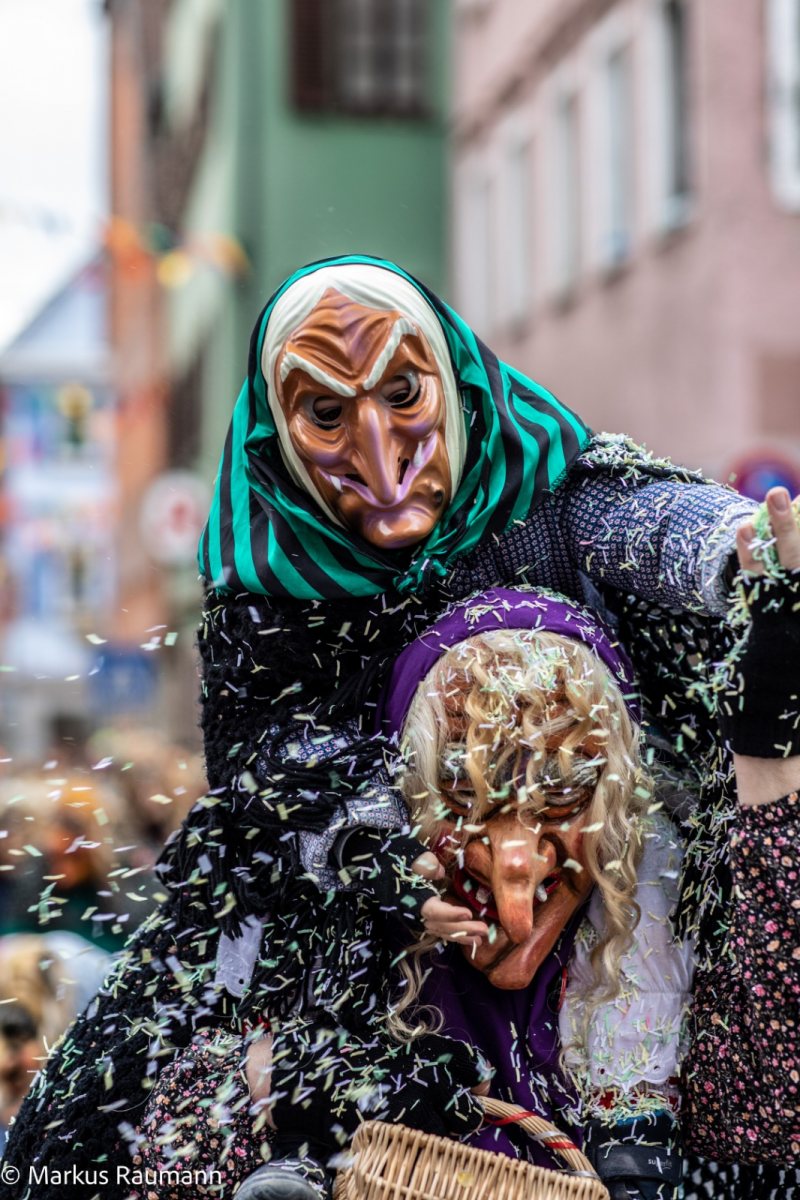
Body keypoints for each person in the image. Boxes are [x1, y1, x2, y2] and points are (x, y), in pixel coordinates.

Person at [0, 254, 790, 1199]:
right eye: (327, 414)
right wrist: (378, 858)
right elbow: (267, 778)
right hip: (388, 933)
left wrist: (748, 544)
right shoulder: (272, 596)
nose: (378, 457)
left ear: (453, 385)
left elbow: (650, 524)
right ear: (282, 433)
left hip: (606, 918)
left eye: (404, 394)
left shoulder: (544, 499)